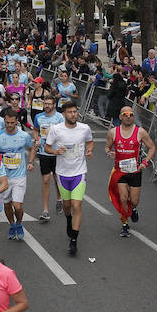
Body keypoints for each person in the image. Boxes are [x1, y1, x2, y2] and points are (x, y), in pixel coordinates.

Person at [44, 100, 93, 256]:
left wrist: (89, 150)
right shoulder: (56, 130)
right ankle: (68, 219)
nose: (73, 114)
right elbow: (47, 147)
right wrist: (55, 152)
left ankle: (74, 241)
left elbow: (90, 142)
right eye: (70, 112)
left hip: (79, 172)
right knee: (67, 205)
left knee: (76, 205)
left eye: (75, 111)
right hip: (62, 173)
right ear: (64, 114)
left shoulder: (84, 128)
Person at [105, 106, 157, 237]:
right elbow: (107, 146)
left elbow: (152, 147)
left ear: (133, 117)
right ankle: (125, 224)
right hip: (119, 171)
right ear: (120, 117)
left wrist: (145, 162)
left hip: (135, 171)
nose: (128, 116)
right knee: (123, 198)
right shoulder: (113, 132)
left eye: (131, 114)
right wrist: (109, 152)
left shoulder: (140, 132)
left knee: (133, 201)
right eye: (125, 114)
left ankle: (133, 208)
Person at [0, 110, 36, 241]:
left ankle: (19, 223)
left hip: (19, 176)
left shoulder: (24, 136)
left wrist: (30, 162)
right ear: (4, 121)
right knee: (6, 204)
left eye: (12, 122)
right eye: (7, 122)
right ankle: (12, 225)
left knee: (17, 205)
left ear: (17, 121)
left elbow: (32, 148)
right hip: (4, 177)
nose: (10, 125)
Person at [32, 96, 63, 221]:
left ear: (54, 105)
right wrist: (37, 139)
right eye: (45, 104)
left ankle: (59, 197)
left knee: (57, 179)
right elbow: (35, 130)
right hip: (44, 152)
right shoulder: (39, 117)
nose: (47, 106)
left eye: (49, 104)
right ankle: (45, 210)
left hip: (56, 153)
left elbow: (64, 132)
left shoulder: (60, 117)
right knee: (46, 180)